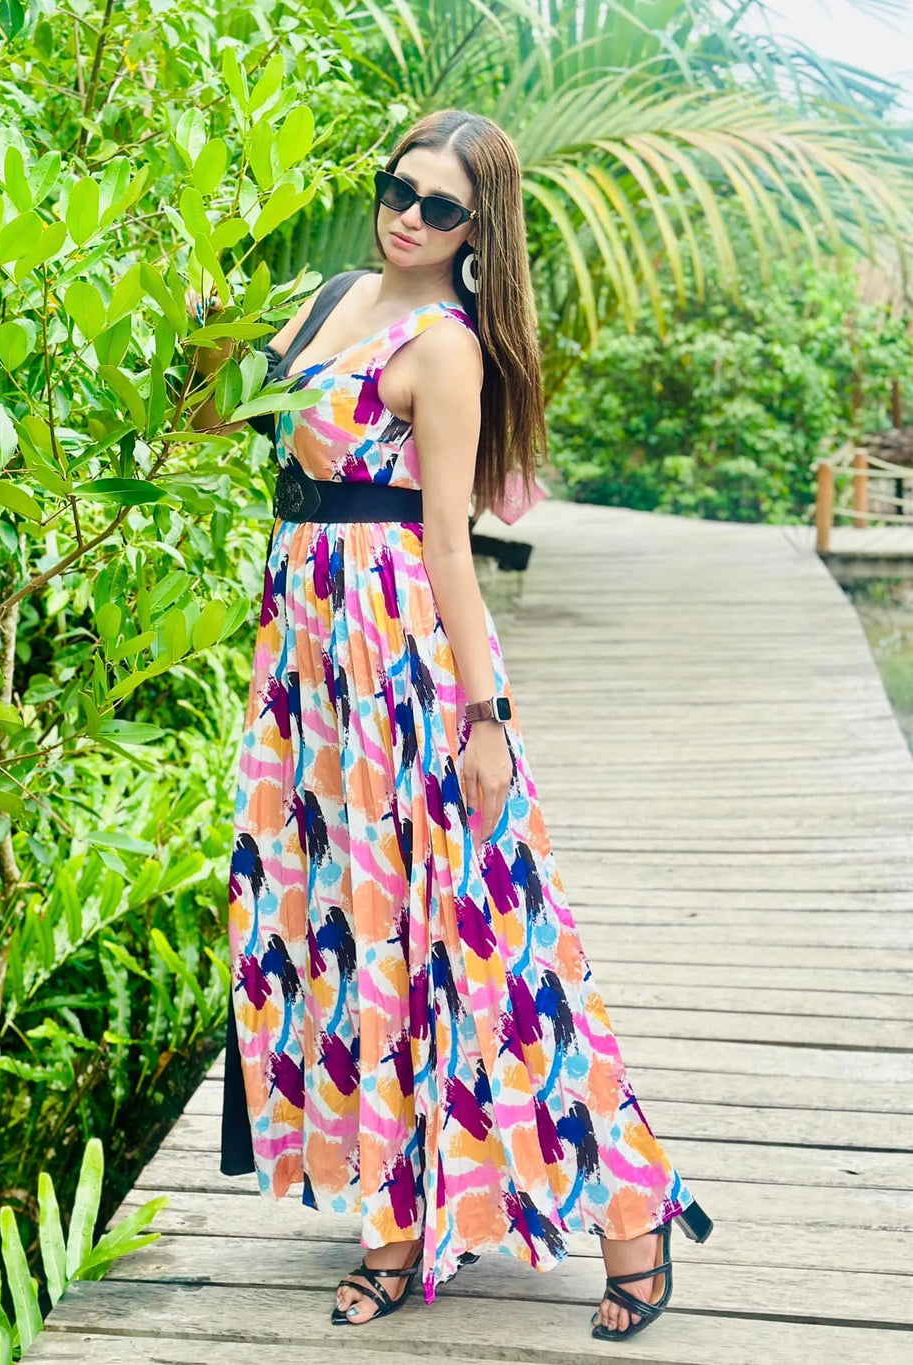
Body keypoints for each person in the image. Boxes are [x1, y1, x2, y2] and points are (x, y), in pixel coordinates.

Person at [189, 107, 713, 1342]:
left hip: (403, 672)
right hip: (304, 677)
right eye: (397, 189)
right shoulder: (318, 305)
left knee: (484, 941)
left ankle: (630, 1212)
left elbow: (444, 546)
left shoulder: (446, 347)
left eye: (439, 207)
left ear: (479, 233)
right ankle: (393, 1221)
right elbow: (208, 429)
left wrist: (487, 717)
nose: (407, 216)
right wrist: (206, 325)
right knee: (344, 937)